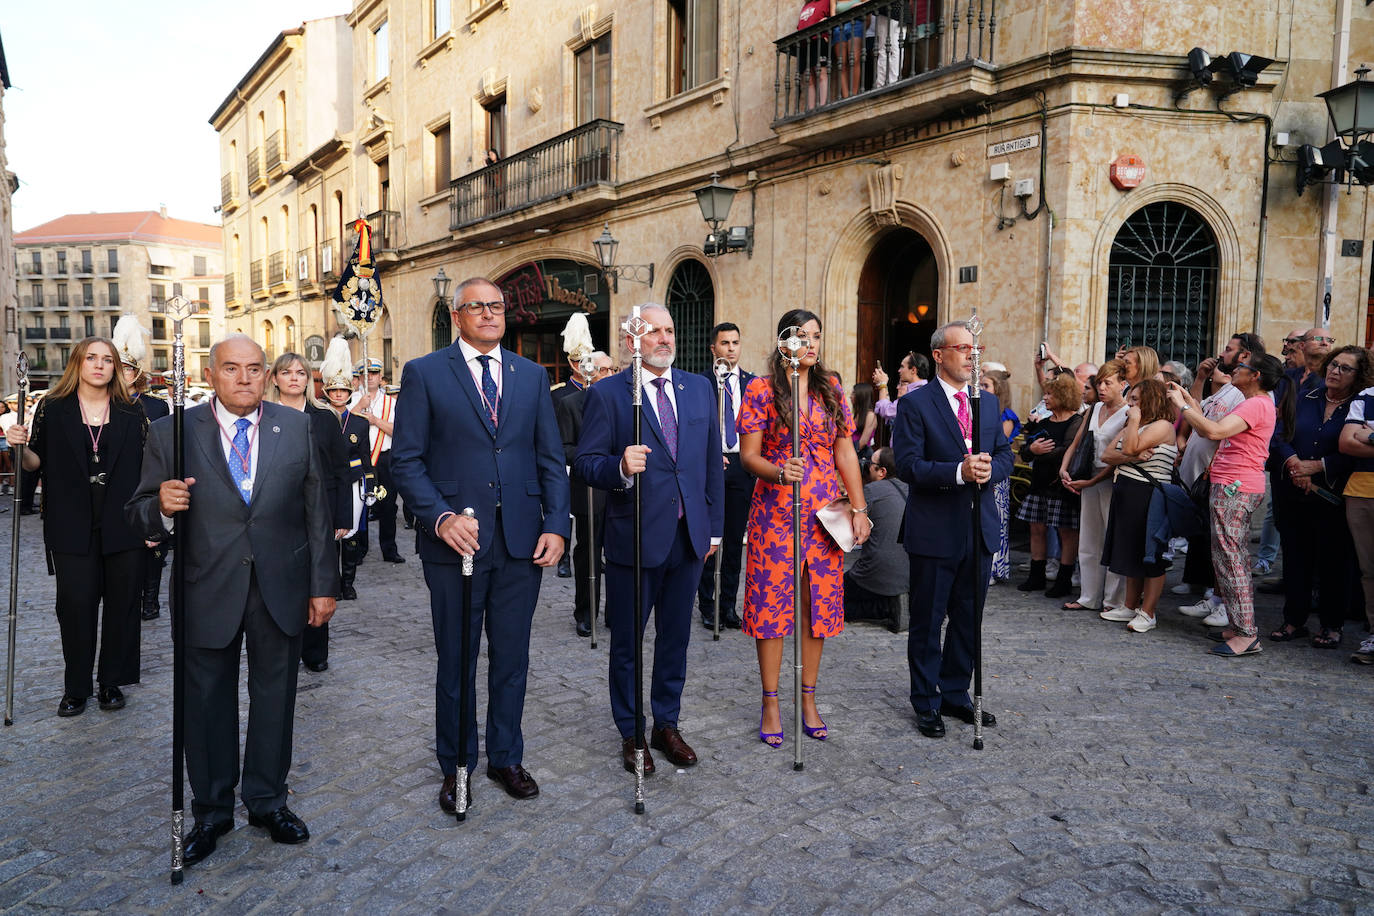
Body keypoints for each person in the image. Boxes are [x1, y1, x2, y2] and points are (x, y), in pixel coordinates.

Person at [126, 334, 338, 867]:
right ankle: (213, 810)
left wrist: (323, 584)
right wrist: (164, 508)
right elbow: (138, 512)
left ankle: (268, 801)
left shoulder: (296, 427)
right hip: (207, 588)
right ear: (211, 372)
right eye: (231, 368)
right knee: (206, 704)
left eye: (253, 368)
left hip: (281, 587)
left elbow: (317, 509)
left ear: (267, 375)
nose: (243, 378)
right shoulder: (171, 431)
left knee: (276, 699)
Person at [390, 277, 569, 810]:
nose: (490, 314)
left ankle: (506, 758)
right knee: (458, 660)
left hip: (520, 543)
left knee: (512, 657)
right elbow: (406, 460)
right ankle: (457, 766)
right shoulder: (424, 374)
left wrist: (556, 524)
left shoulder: (531, 375)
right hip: (456, 544)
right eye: (478, 307)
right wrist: (439, 517)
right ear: (457, 314)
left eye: (496, 306)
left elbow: (549, 457)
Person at [574, 303, 723, 772]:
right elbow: (585, 462)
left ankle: (667, 724)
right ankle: (631, 732)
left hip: (688, 536)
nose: (664, 338)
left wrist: (714, 527)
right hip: (633, 538)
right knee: (629, 643)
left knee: (676, 637)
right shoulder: (611, 394)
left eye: (669, 330)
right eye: (653, 331)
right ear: (631, 340)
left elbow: (709, 465)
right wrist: (619, 466)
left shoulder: (699, 389)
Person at [738, 308, 870, 746]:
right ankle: (771, 700)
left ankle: (809, 697)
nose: (811, 343)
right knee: (774, 609)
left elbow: (845, 452)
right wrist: (779, 471)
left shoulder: (831, 388)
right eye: (802, 336)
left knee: (818, 608)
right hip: (776, 512)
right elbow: (749, 456)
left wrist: (859, 507)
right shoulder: (761, 389)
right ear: (784, 342)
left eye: (817, 336)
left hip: (825, 515)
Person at [5, 337, 147, 718]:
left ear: (116, 367)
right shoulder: (54, 408)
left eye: (107, 359)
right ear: (77, 364)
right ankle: (76, 687)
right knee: (76, 605)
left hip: (123, 523)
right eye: (91, 358)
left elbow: (148, 468)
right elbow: (36, 462)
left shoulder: (132, 412)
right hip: (71, 523)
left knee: (122, 605)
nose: (99, 365)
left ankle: (111, 682)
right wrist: (19, 446)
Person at [892, 319, 1010, 739]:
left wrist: (989, 469)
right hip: (933, 529)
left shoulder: (988, 404)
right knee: (928, 620)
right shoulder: (915, 403)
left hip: (978, 528)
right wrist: (958, 472)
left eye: (976, 349)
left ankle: (956, 691)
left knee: (967, 619)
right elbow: (907, 465)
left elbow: (1004, 456)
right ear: (939, 355)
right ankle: (925, 700)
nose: (971, 356)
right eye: (963, 348)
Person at [1166, 354, 1284, 657]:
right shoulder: (1251, 402)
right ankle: (1237, 625)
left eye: (1241, 368)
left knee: (1233, 563)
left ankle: (1247, 634)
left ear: (1255, 375)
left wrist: (1181, 407)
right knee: (1227, 561)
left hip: (1237, 488)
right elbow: (1209, 423)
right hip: (1231, 486)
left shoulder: (1257, 404)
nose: (1234, 371)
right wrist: (1186, 400)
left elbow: (1213, 432)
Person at [1268, 345, 1368, 648]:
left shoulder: (1359, 407)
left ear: (1359, 375)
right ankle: (1293, 620)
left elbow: (1356, 451)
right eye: (1333, 365)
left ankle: (1331, 625)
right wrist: (1294, 464)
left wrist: (1319, 466)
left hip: (1333, 495)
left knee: (1334, 562)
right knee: (1296, 557)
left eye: (1344, 368)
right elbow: (1279, 434)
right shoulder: (1305, 397)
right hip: (1293, 489)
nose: (1335, 371)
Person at [271, 350, 352, 672]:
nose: (294, 377)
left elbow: (342, 470)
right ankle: (282, 646)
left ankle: (316, 651)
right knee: (280, 581)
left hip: (321, 513)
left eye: (300, 373)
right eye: (287, 372)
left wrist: (343, 517)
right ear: (275, 378)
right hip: (275, 514)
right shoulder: (262, 416)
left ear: (309, 380)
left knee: (318, 581)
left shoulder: (323, 418)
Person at [1097, 380, 1178, 633]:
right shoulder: (1136, 425)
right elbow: (1107, 455)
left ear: (1151, 400)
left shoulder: (1161, 426)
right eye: (1130, 399)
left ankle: (1148, 612)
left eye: (1135, 399)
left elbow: (1129, 445)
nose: (1130, 405)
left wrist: (1132, 425)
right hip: (1127, 494)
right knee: (1131, 551)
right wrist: (1132, 455)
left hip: (1149, 495)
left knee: (1150, 554)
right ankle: (1130, 605)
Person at [113, 316, 171, 622]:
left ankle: (151, 600)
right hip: (116, 484)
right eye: (118, 367)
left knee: (153, 546)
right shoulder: (104, 403)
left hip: (148, 480)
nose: (122, 374)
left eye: (127, 368)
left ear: (137, 372)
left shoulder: (156, 406)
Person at [697, 322, 753, 631]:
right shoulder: (701, 382)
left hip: (741, 464)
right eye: (725, 343)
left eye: (735, 342)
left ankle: (728, 605)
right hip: (711, 464)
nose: (731, 348)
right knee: (710, 537)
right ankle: (707, 604)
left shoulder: (753, 383)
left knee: (734, 539)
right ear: (713, 349)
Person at [1060, 359, 1128, 613]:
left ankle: (1113, 599)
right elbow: (1076, 442)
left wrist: (1094, 480)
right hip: (1087, 476)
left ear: (1123, 384)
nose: (1101, 388)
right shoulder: (1095, 407)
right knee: (1089, 538)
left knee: (1112, 538)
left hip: (1112, 478)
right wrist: (1064, 467)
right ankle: (1088, 595)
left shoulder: (1128, 411)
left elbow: (1121, 453)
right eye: (1099, 382)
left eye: (1107, 383)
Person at [556, 348, 614, 637]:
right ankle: (586, 612)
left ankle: (615, 611)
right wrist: (592, 455)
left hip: (619, 489)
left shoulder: (623, 402)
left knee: (617, 553)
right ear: (590, 371)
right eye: (604, 370)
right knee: (588, 554)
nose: (609, 375)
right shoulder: (570, 404)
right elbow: (563, 448)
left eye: (612, 370)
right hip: (588, 489)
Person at [1016, 373, 1083, 597]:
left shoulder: (1076, 422)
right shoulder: (1044, 423)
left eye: (1049, 393)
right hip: (1039, 484)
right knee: (1036, 529)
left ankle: (1063, 580)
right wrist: (1032, 451)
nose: (1044, 398)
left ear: (1062, 395)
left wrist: (1037, 453)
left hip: (1060, 486)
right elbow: (1025, 453)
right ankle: (1037, 576)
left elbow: (1067, 450)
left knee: (1066, 533)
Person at [843, 446, 909, 628]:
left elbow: (846, 525)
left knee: (834, 596)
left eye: (870, 464)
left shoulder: (872, 490)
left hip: (875, 574)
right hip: (911, 574)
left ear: (882, 471)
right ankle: (896, 603)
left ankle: (884, 609)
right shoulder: (911, 488)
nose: (865, 466)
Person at [354, 357, 404, 564]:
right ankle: (359, 549)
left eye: (374, 373)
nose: (370, 377)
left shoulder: (390, 403)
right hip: (360, 459)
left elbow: (399, 431)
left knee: (387, 505)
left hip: (384, 458)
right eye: (366, 373)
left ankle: (389, 549)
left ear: (381, 377)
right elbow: (341, 424)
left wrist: (375, 421)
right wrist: (358, 406)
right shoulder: (352, 399)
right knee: (360, 506)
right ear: (359, 377)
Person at [1339, 378, 1374, 664]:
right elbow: (1347, 442)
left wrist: (1371, 435)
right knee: (1369, 569)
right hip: (1362, 490)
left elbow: (1360, 437)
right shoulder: (1366, 396)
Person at [980, 369, 1018, 583]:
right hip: (982, 469)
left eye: (986, 386)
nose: (981, 389)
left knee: (997, 520)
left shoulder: (1006, 416)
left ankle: (995, 567)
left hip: (996, 470)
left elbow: (996, 442)